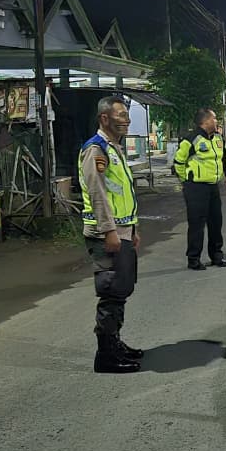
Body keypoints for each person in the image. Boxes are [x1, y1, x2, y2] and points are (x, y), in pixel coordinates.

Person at [80, 96, 144, 374]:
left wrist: (133, 229)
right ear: (104, 118)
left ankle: (115, 343)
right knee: (111, 293)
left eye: (127, 115)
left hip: (122, 231)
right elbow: (98, 194)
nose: (126, 120)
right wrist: (109, 231)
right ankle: (105, 356)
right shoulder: (96, 150)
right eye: (120, 115)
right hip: (107, 234)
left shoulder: (114, 148)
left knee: (121, 290)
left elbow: (122, 193)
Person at [173, 108, 226, 270]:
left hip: (213, 187)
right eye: (214, 118)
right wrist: (186, 181)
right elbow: (178, 162)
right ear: (205, 121)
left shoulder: (219, 138)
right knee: (197, 225)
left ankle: (217, 256)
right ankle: (193, 259)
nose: (217, 121)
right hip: (196, 188)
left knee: (216, 223)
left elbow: (225, 157)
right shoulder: (191, 139)